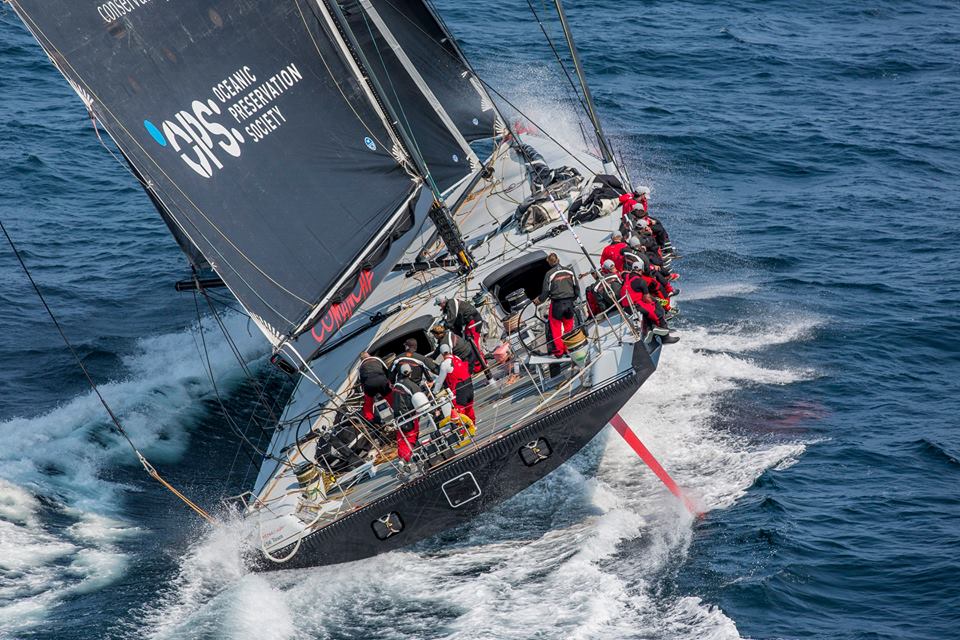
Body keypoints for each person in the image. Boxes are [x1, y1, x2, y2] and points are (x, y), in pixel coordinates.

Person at [534, 253, 580, 357]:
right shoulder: (569, 271)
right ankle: (569, 348)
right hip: (569, 303)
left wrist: (539, 300)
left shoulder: (549, 274)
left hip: (557, 305)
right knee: (569, 327)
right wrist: (572, 299)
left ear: (550, 263)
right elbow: (576, 288)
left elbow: (545, 292)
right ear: (558, 260)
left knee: (556, 329)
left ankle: (559, 352)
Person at [436, 295, 486, 372]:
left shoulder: (451, 303)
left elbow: (452, 318)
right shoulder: (449, 307)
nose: (439, 306)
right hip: (469, 323)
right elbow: (455, 322)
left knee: (473, 345)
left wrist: (444, 328)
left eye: (439, 304)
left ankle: (480, 366)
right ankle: (479, 365)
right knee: (470, 344)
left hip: (473, 322)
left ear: (443, 302)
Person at [434, 343, 475, 422]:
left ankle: (463, 428)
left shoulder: (444, 364)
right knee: (469, 408)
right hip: (469, 385)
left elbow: (440, 381)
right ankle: (472, 424)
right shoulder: (456, 357)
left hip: (460, 389)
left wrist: (435, 392)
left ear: (441, 354)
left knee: (459, 412)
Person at [390, 364, 421, 462]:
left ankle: (403, 458)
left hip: (398, 418)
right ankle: (409, 458)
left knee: (401, 440)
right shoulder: (413, 386)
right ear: (410, 373)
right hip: (410, 417)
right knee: (411, 438)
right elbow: (420, 403)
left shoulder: (396, 385)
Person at [357, 352, 393, 422]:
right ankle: (394, 409)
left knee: (368, 404)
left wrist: (365, 391)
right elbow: (386, 371)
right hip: (381, 381)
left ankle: (370, 419)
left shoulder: (360, 367)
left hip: (369, 384)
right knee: (390, 397)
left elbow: (361, 381)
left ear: (362, 359)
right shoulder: (377, 359)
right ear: (369, 355)